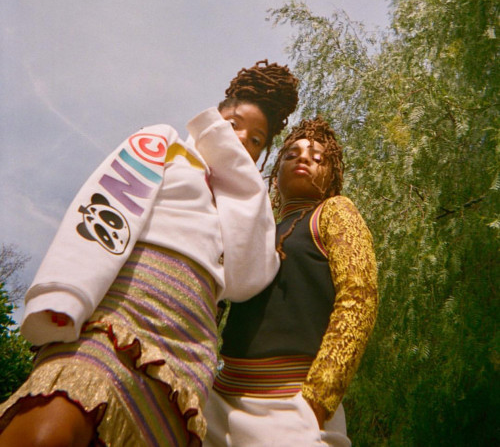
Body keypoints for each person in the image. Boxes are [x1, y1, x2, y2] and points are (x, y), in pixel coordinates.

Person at [0, 60, 299, 447]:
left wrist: (242, 185)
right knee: (51, 428)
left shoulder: (244, 210)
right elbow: (108, 204)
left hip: (189, 351)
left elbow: (246, 281)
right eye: (233, 124)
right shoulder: (165, 145)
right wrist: (66, 293)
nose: (241, 139)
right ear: (213, 119)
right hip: (122, 315)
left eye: (256, 140)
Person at [204, 117, 378, 447]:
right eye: (291, 154)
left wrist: (318, 400)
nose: (303, 159)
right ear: (275, 175)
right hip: (220, 400)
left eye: (318, 158)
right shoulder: (259, 227)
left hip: (291, 402)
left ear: (332, 176)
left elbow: (358, 297)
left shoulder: (334, 212)